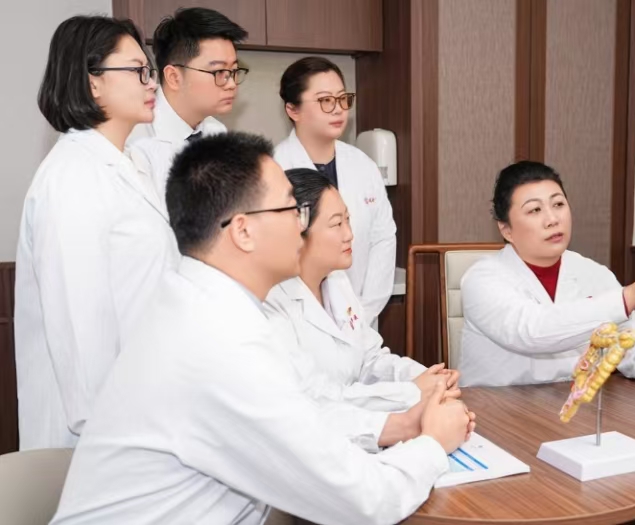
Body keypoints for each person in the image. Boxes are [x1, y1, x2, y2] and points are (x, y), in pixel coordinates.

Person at [51, 132, 475, 525]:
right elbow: (365, 500)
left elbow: (307, 412)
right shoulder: (218, 344)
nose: (300, 224)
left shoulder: (202, 308)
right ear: (243, 231)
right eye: (292, 209)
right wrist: (433, 443)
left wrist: (402, 424)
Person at [14, 15, 176, 450]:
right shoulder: (72, 176)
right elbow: (80, 326)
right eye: (138, 70)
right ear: (93, 82)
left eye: (150, 70)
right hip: (99, 431)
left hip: (144, 407)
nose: (152, 83)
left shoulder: (131, 164)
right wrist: (113, 432)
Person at [459, 161, 635, 387]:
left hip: (571, 412)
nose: (552, 219)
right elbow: (533, 332)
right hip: (496, 416)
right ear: (506, 229)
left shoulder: (593, 273)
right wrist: (631, 296)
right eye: (534, 210)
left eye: (558, 204)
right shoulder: (483, 279)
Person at [265, 169, 460, 450]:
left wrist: (425, 377)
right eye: (336, 224)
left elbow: (370, 358)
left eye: (348, 220)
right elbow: (315, 396)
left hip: (365, 431)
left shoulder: (337, 281)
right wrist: (411, 391)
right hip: (321, 443)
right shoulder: (272, 301)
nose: (349, 234)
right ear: (298, 232)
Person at [275, 56, 396, 326]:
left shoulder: (363, 165)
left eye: (342, 99)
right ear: (293, 109)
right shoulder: (275, 170)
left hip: (361, 319)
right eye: (325, 100)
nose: (338, 109)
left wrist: (363, 312)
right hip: (298, 320)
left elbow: (383, 239)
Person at [127, 7, 248, 203]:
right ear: (174, 77)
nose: (232, 84)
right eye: (219, 72)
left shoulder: (216, 131)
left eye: (233, 71)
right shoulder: (134, 137)